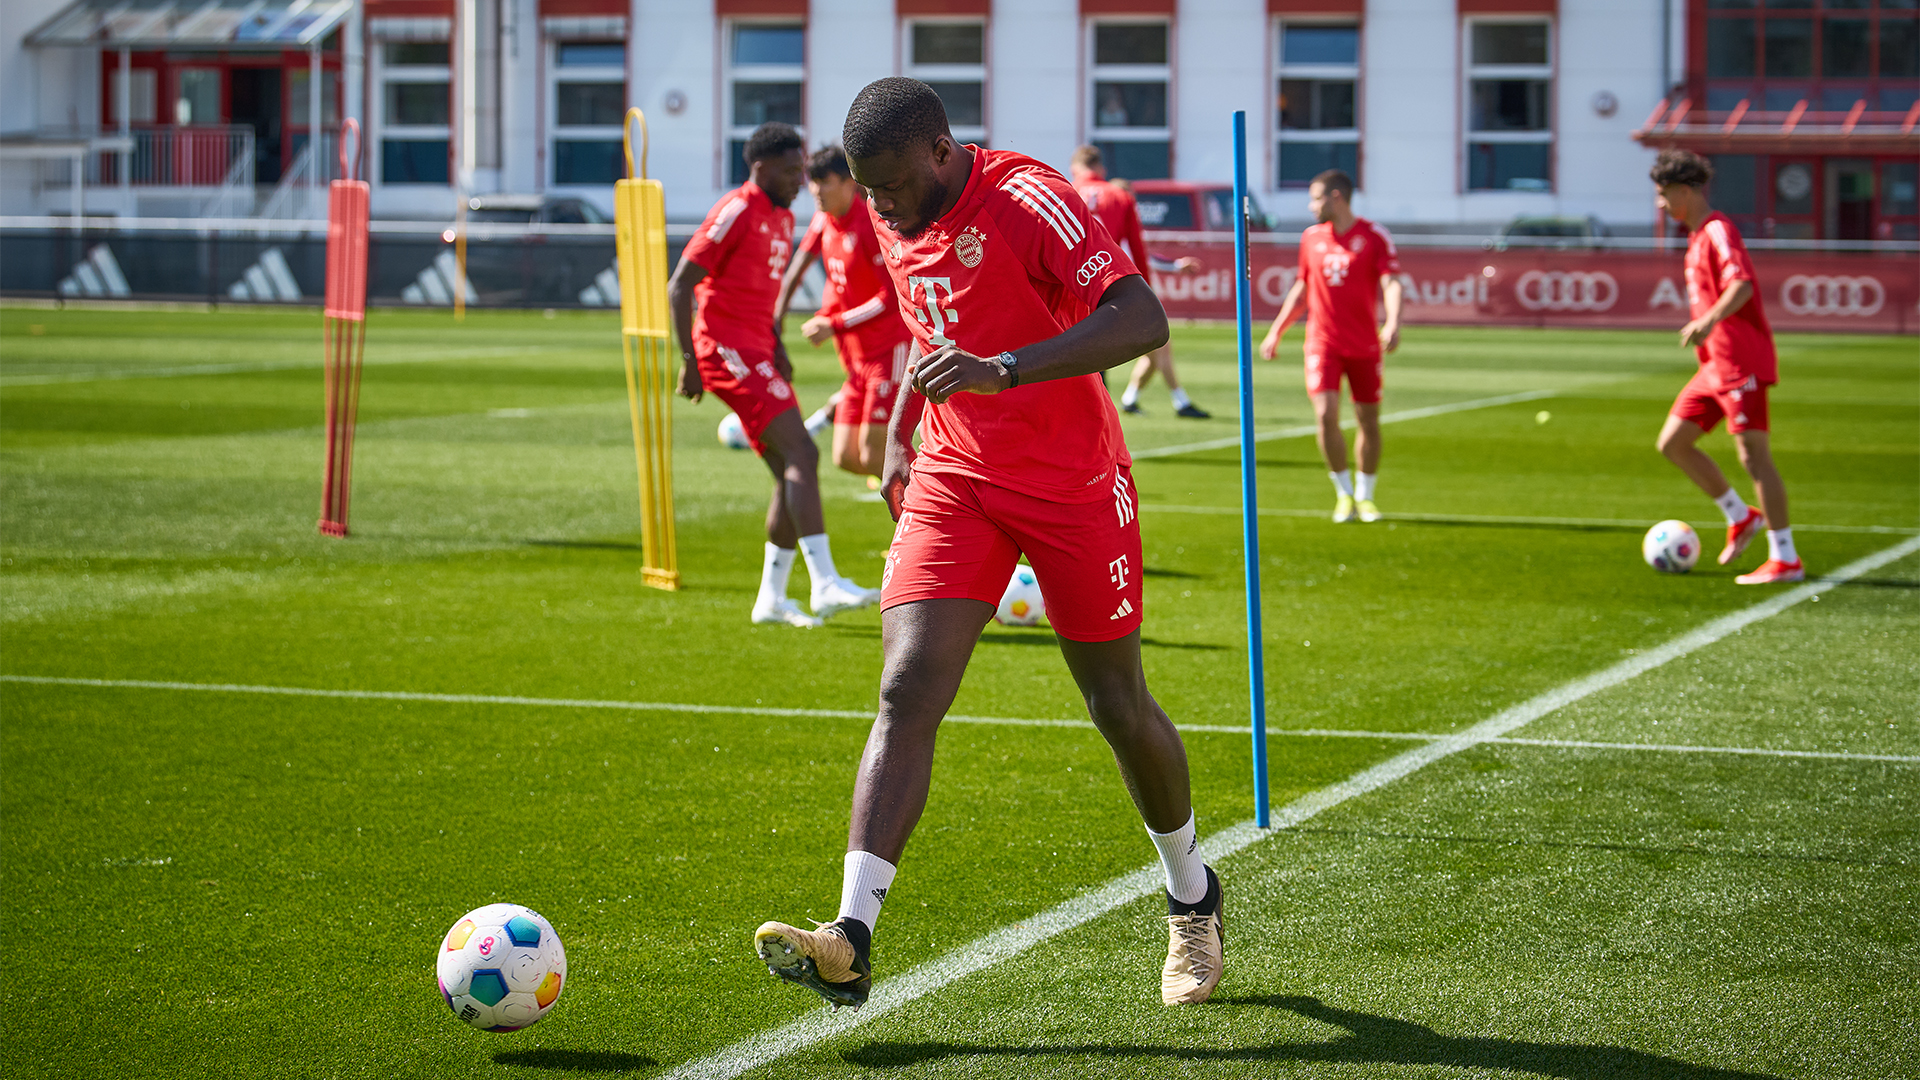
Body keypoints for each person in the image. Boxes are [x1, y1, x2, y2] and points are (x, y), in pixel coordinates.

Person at [751, 78, 1226, 1010]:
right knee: (905, 687)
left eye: (891, 187)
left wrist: (1003, 369)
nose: (880, 206)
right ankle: (849, 932)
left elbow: (1143, 320)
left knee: (1117, 706)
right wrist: (899, 426)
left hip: (1074, 485)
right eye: (869, 191)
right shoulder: (894, 205)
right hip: (955, 478)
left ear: (940, 149)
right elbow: (926, 328)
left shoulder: (1026, 197)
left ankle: (1192, 897)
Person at [668, 122, 881, 628]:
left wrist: (777, 343)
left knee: (790, 468)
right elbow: (681, 286)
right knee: (802, 452)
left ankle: (771, 598)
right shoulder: (736, 208)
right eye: (790, 171)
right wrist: (690, 362)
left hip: (758, 350)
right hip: (725, 350)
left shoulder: (781, 216)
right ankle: (825, 581)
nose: (798, 181)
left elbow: (761, 292)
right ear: (760, 167)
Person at [1649, 149, 1801, 584]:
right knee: (1673, 444)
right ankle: (1740, 516)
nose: (1661, 205)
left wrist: (1707, 320)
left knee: (1754, 456)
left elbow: (1742, 285)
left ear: (1684, 190)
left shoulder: (1718, 230)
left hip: (1740, 362)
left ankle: (1785, 557)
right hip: (1714, 366)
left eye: (1663, 195)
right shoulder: (1696, 239)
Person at [1259, 169, 1404, 523]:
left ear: (1336, 197)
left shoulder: (1373, 236)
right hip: (1322, 343)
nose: (1311, 207)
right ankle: (1343, 494)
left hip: (1366, 344)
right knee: (1325, 415)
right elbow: (1302, 288)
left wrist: (1394, 321)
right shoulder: (1310, 238)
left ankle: (1366, 496)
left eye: (1316, 198)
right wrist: (1276, 331)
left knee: (1368, 420)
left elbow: (1392, 283)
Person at [776, 145, 914, 480]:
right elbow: (798, 267)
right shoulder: (825, 220)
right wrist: (775, 319)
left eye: (824, 182)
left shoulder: (870, 223)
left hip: (889, 350)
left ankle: (929, 504)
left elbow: (891, 296)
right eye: (813, 182)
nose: (815, 190)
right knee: (844, 457)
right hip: (856, 357)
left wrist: (833, 324)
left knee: (872, 456)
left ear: (849, 183)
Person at [1068, 145, 1209, 418]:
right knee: (1147, 347)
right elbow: (1136, 252)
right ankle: (1171, 402)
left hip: (1068, 289)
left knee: (1080, 357)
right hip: (1108, 287)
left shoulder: (1062, 191)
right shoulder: (1118, 198)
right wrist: (1146, 294)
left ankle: (1140, 400)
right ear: (1101, 169)